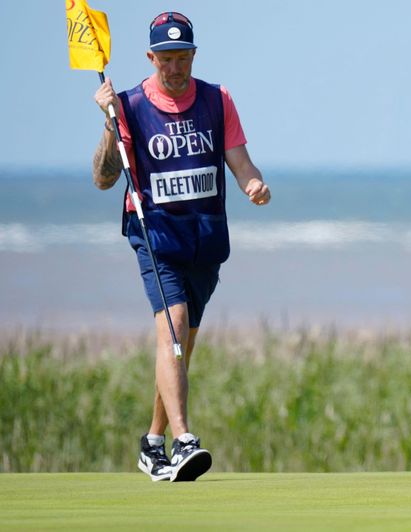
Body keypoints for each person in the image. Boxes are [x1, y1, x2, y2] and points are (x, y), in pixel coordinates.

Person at [91, 11, 271, 482]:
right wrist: (110, 124)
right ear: (151, 57)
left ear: (194, 55)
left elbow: (241, 162)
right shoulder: (129, 106)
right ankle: (185, 440)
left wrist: (254, 185)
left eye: (183, 57)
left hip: (205, 238)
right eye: (166, 58)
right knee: (173, 329)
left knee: (180, 348)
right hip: (156, 237)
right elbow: (104, 179)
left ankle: (152, 442)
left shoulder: (217, 100)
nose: (175, 67)